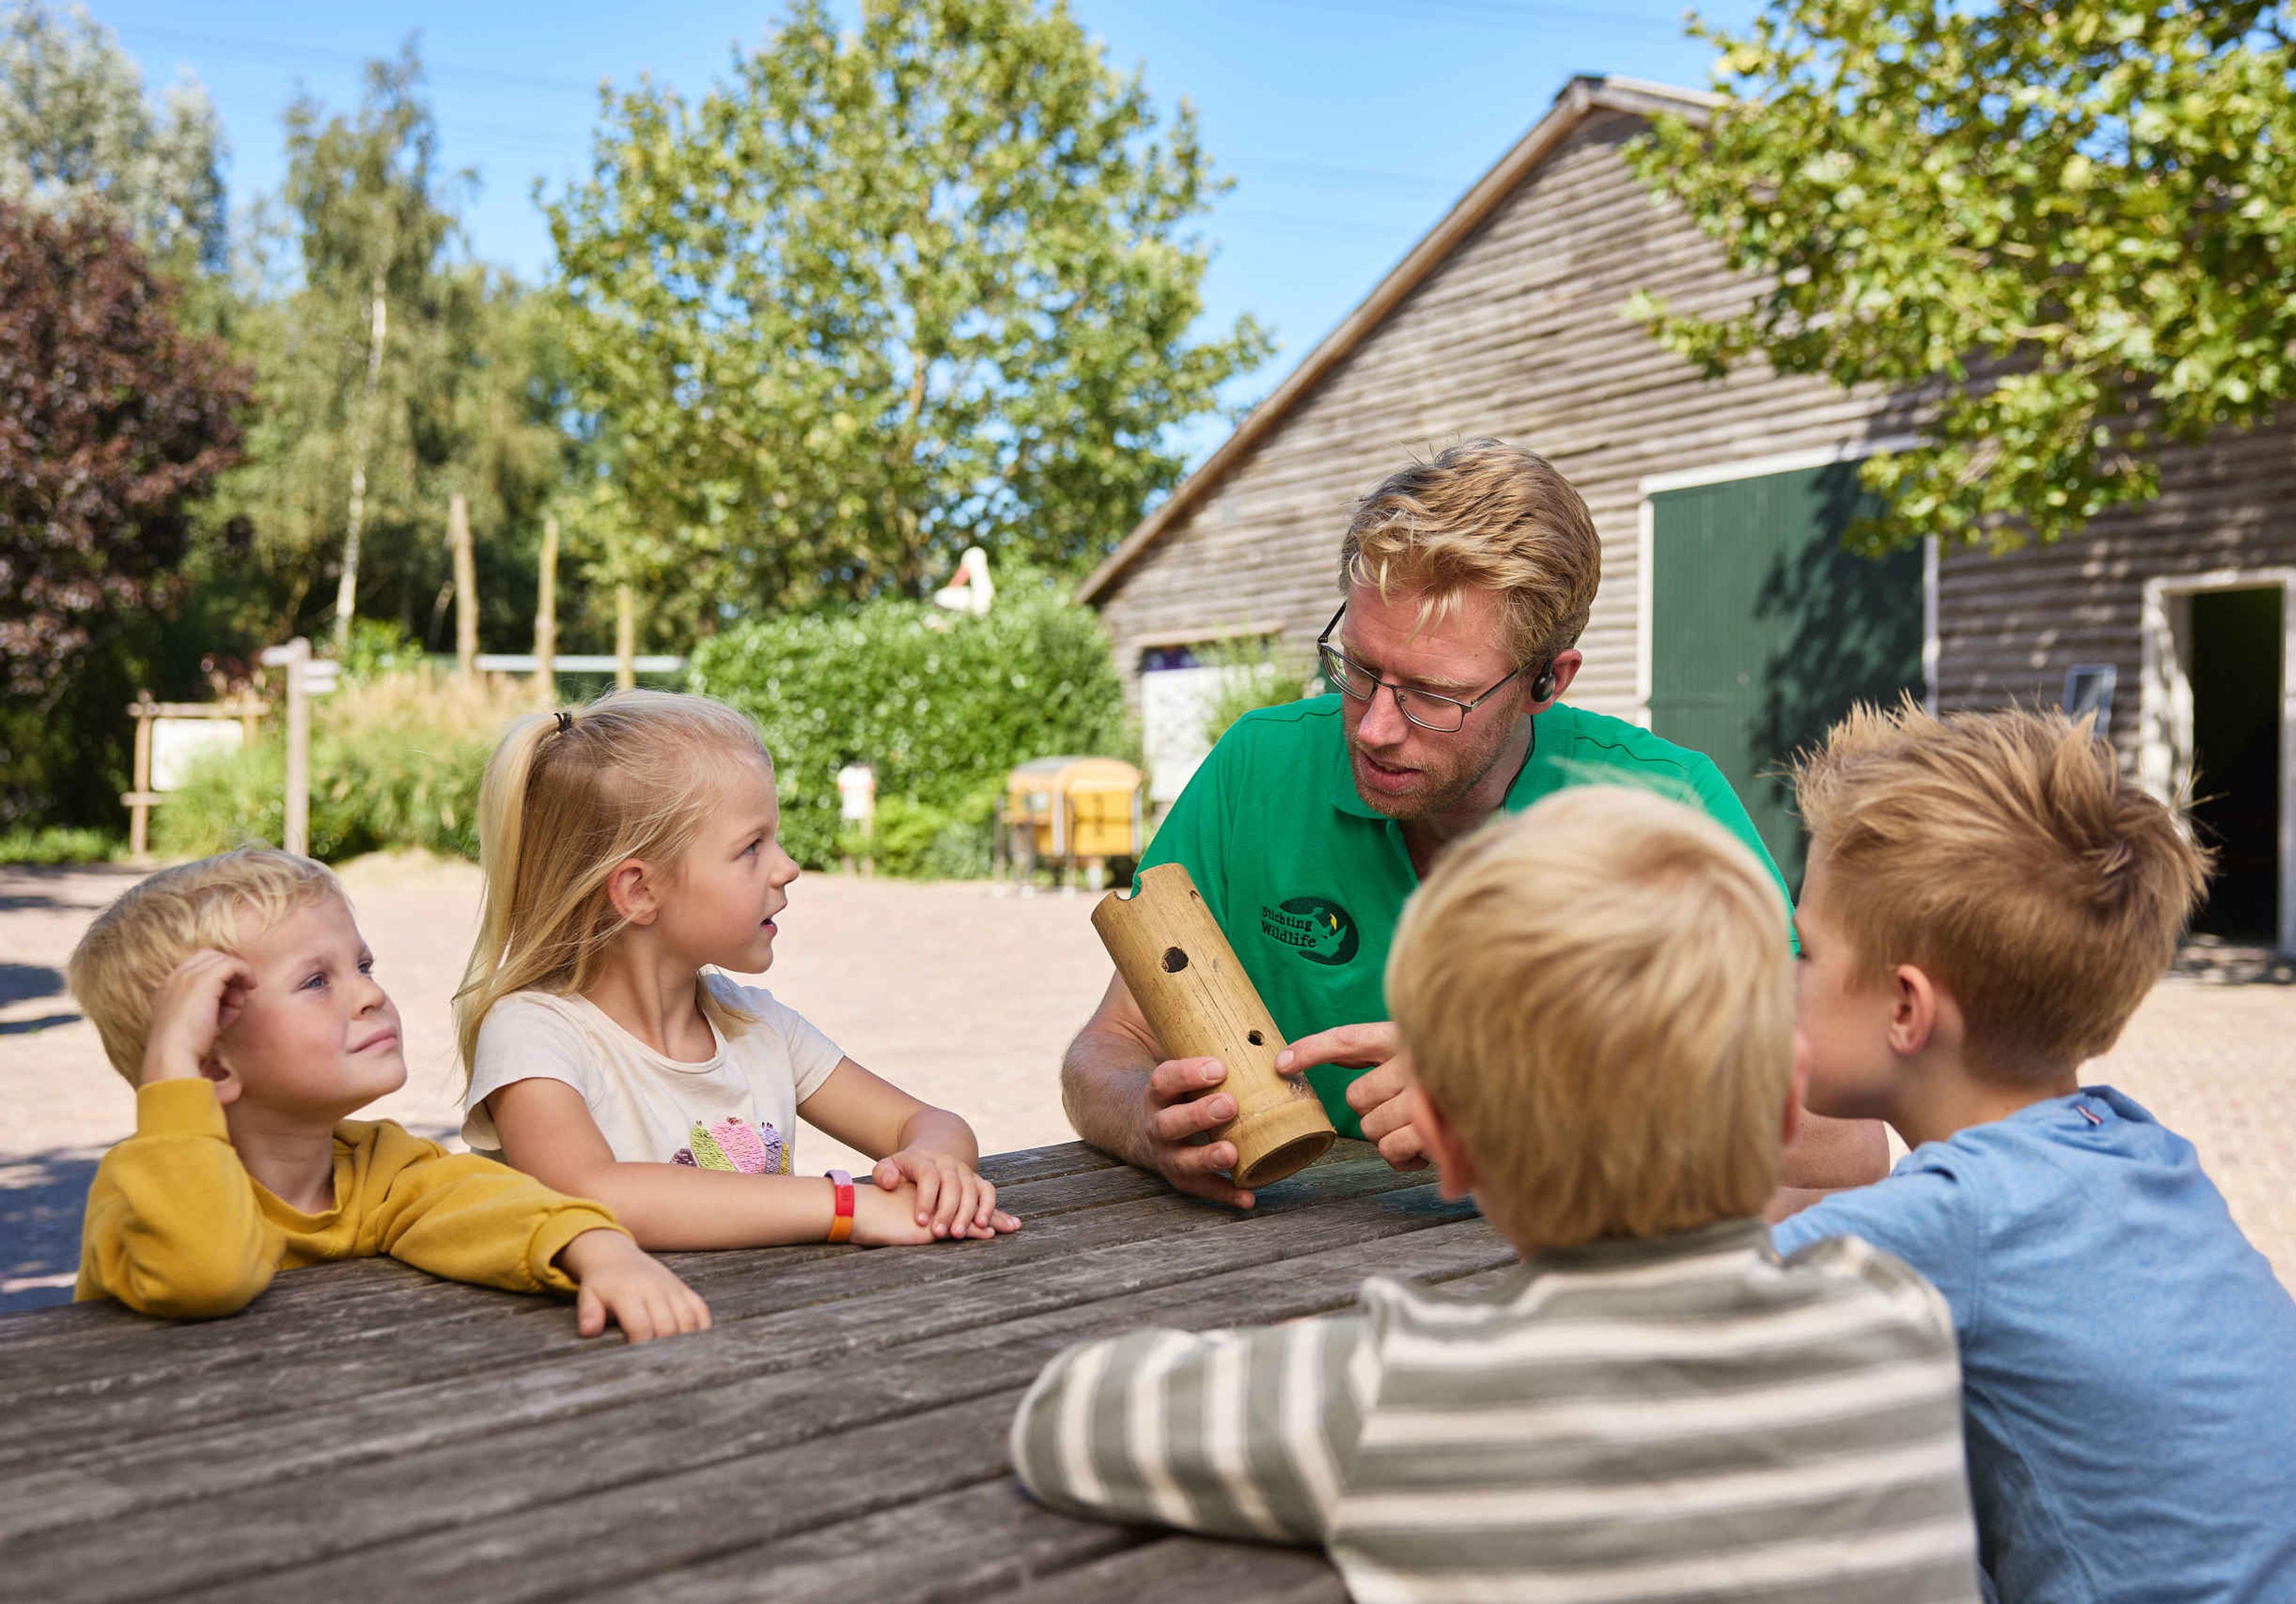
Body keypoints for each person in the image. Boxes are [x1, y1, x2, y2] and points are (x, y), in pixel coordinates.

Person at [1015, 784, 1981, 1602]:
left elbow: (1067, 1417)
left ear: (1449, 1147)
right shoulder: (1899, 1321)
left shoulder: (1404, 1393)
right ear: (1780, 1115)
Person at [1062, 438, 1889, 1209]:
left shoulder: (1669, 808)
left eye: (1433, 693)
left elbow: (1839, 1153)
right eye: (1358, 668)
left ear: (1549, 680)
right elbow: (1105, 1050)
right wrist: (1149, 1122)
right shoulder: (1255, 769)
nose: (1375, 726)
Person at [1770, 704, 2296, 1603]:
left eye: (1807, 949)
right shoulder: (2134, 1151)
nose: (1782, 974)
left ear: (1906, 1011)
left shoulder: (1958, 1222)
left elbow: (1665, 1319)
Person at [66, 847, 706, 1341]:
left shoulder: (373, 1167)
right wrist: (173, 1068)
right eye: (317, 980)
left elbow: (491, 1204)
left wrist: (603, 1252)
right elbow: (205, 1273)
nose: (371, 994)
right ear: (208, 1062)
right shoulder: (143, 1185)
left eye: (363, 966)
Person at [456, 689, 1021, 1250]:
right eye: (752, 847)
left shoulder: (758, 1027)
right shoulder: (532, 1034)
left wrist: (935, 1169)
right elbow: (589, 1195)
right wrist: (848, 1206)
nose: (789, 867)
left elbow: (925, 1123)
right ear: (639, 891)